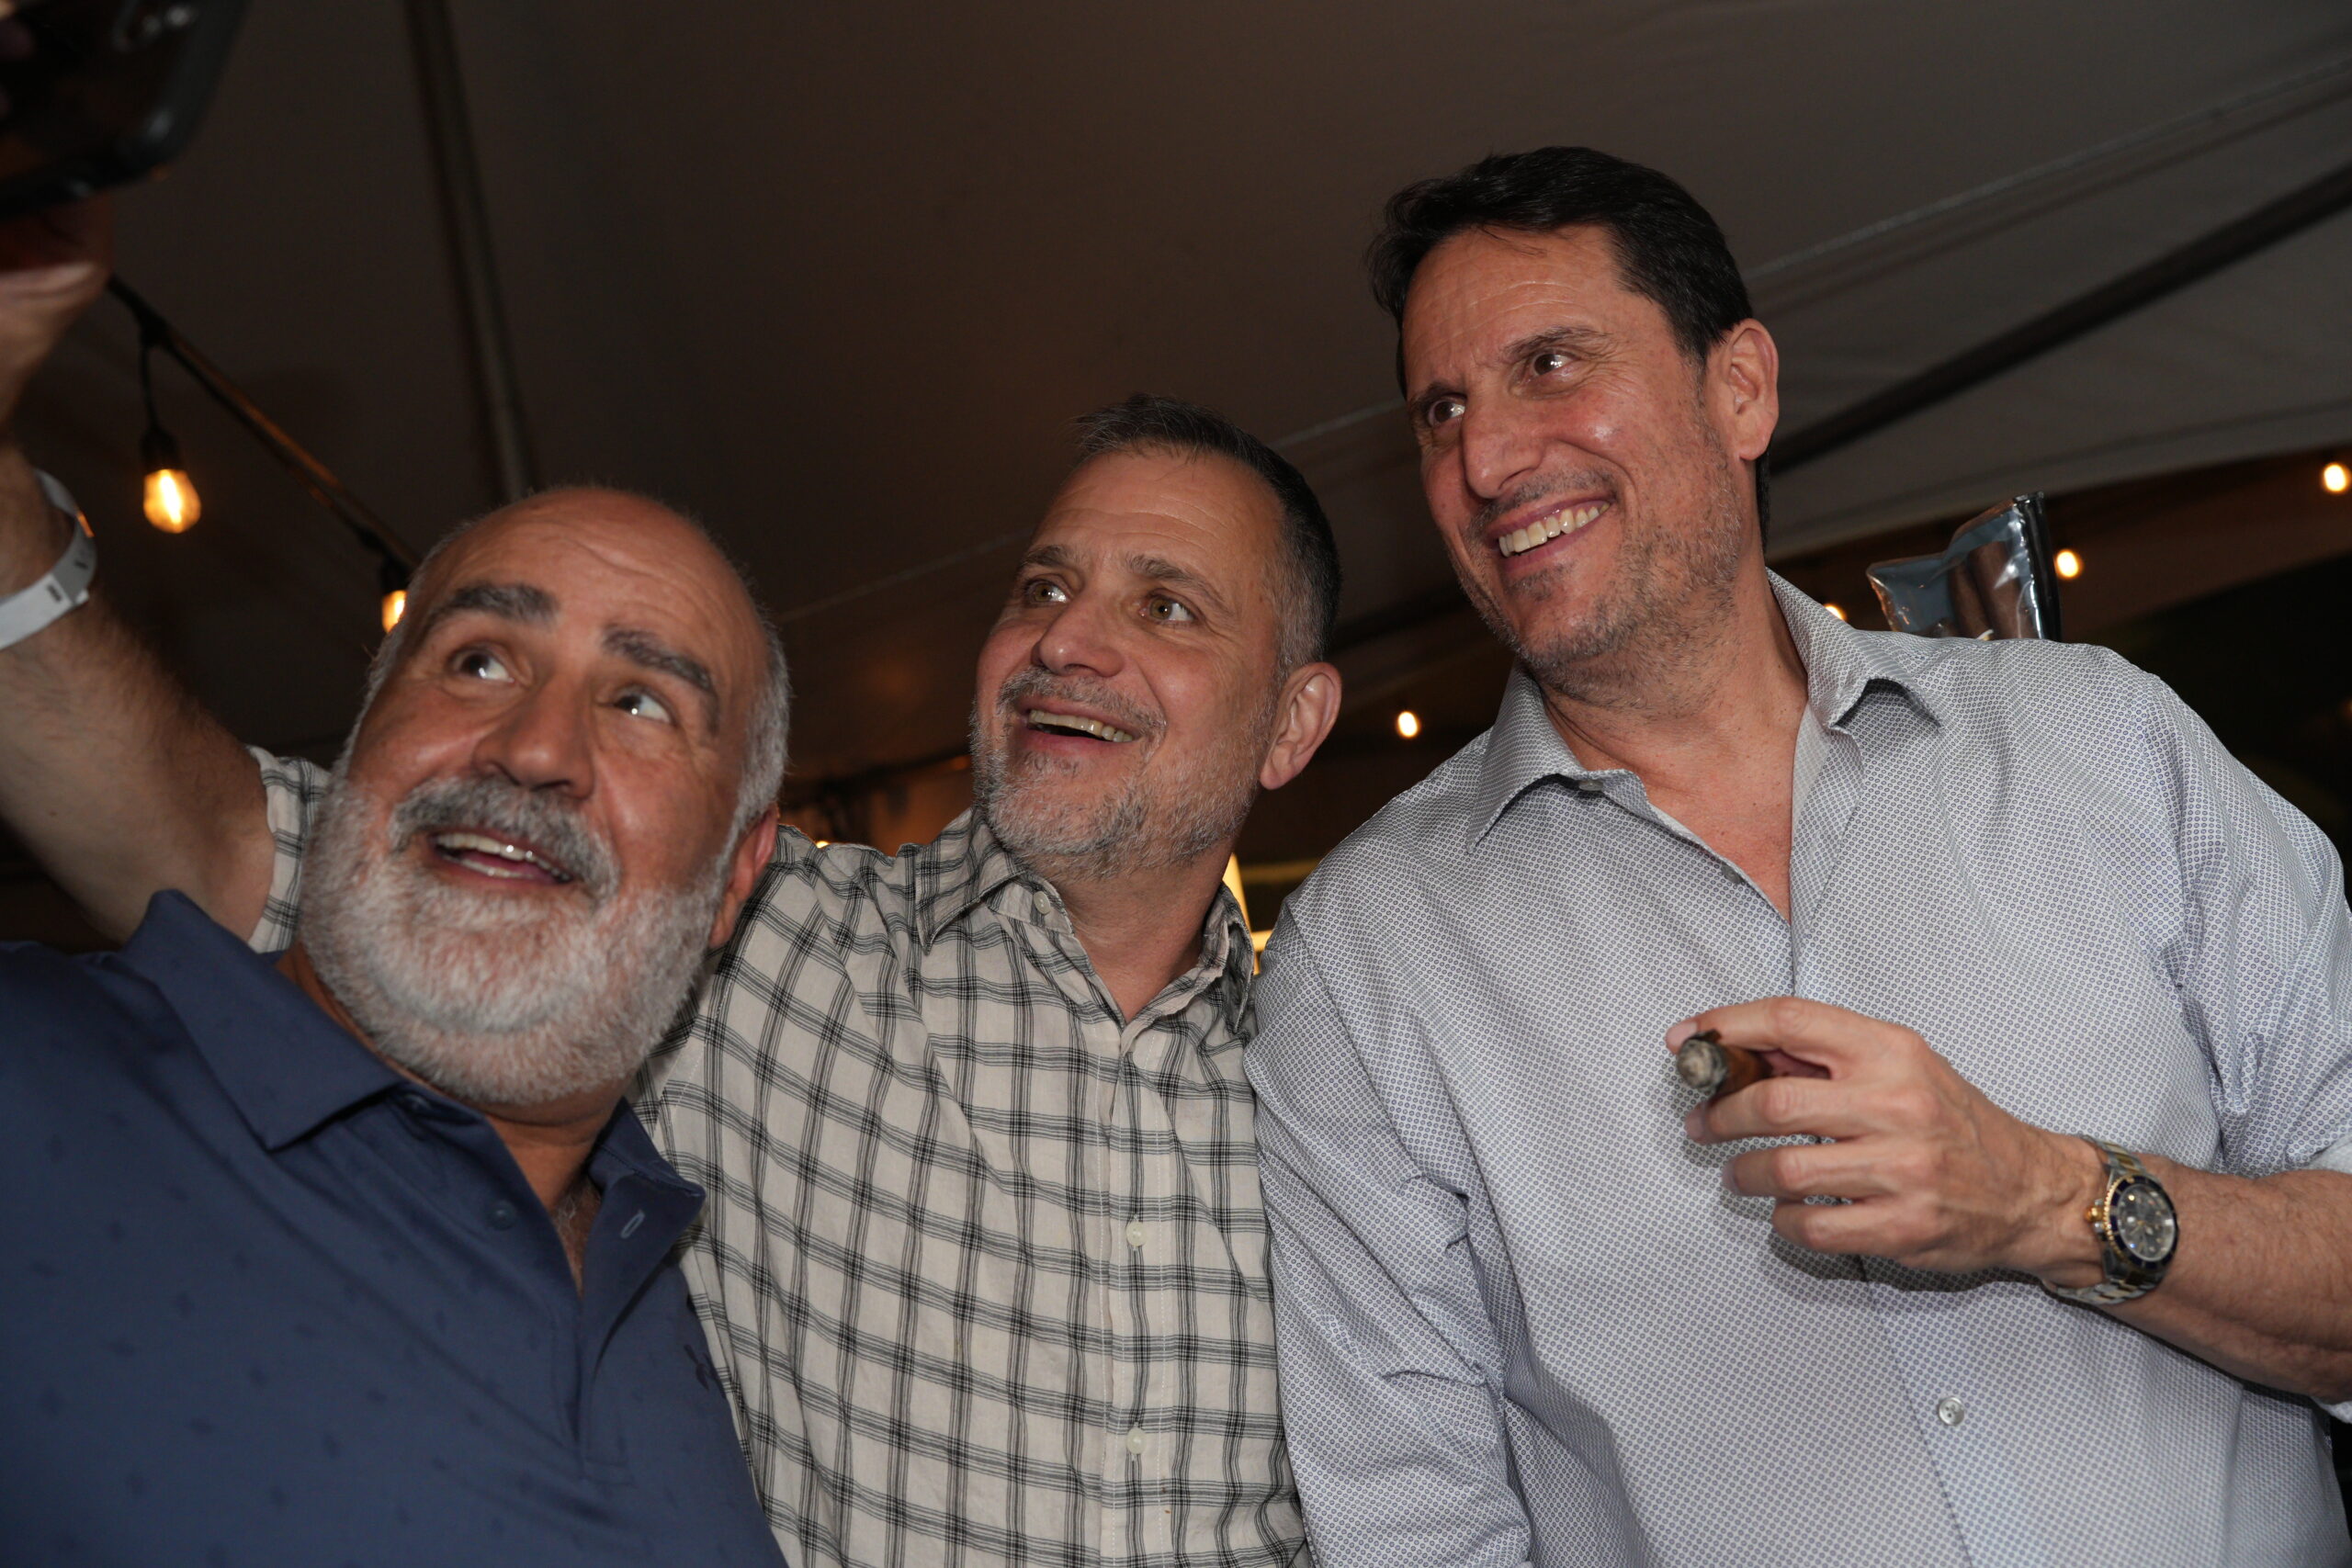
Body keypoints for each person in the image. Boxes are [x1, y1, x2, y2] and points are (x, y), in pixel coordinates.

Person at [0, 210, 1344, 1563]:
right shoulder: (750, 944)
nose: (1065, 640)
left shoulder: (1343, 1086)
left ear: (1292, 724)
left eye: (1167, 607)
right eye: (1044, 586)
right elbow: (211, 839)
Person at [1247, 145, 2352, 1566]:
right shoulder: (1371, 961)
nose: (1484, 460)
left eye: (1550, 366)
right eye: (1441, 411)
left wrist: (2044, 1198)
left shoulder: (2102, 743)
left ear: (1742, 389)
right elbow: (1415, 1531)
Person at [0, 209, 790, 1563]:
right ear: (361, 742)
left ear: (736, 881)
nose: (535, 747)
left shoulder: (672, 1284)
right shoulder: (39, 1082)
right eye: (478, 660)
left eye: (642, 702)